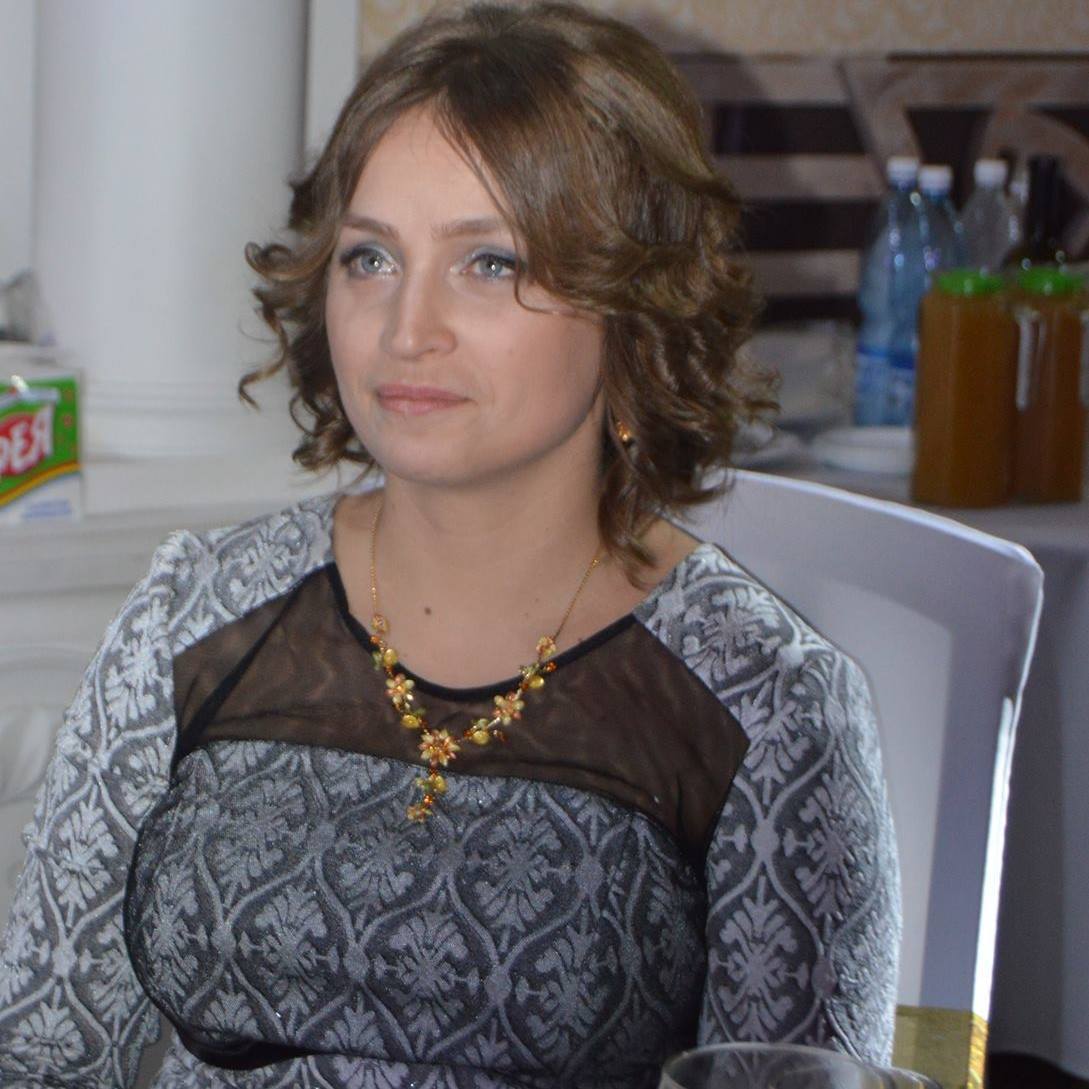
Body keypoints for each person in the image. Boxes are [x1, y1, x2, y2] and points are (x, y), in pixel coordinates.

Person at [0, 2, 900, 1086]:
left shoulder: (768, 702)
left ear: (633, 301)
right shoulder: (195, 614)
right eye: (370, 257)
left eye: (488, 263)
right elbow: (41, 1057)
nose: (405, 328)